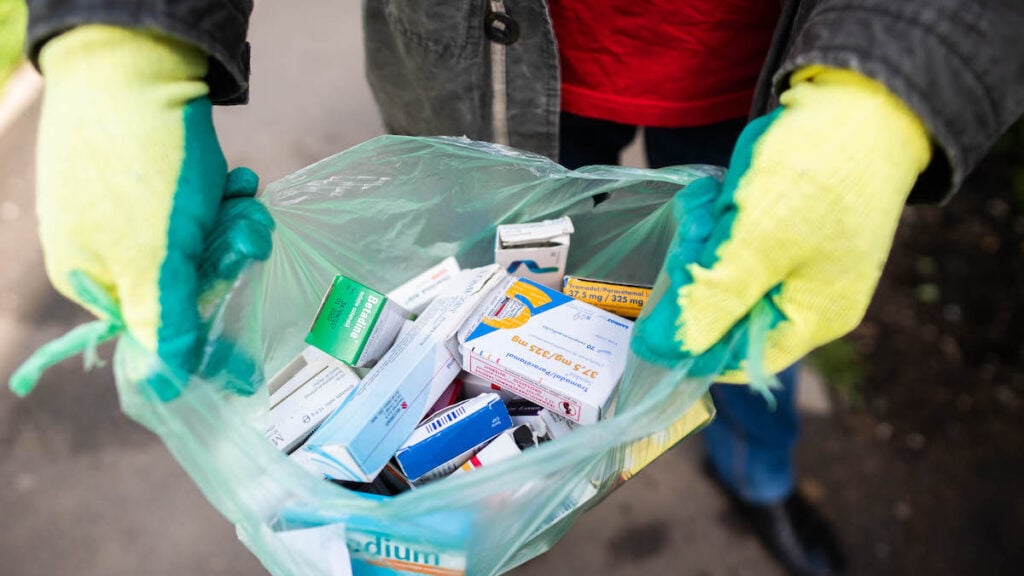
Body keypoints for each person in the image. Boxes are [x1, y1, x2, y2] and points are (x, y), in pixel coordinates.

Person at [12, 1, 1024, 575]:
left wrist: (884, 98)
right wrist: (122, 45)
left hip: (773, 80)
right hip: (484, 70)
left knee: (742, 313)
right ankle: (491, 512)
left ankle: (758, 478)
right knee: (498, 276)